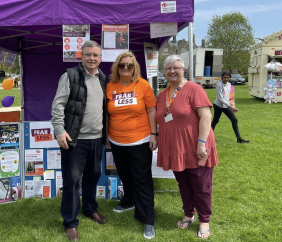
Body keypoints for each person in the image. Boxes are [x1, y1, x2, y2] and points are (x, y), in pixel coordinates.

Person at [155, 55, 218, 239]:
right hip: (175, 149)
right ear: (164, 71)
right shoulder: (162, 94)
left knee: (201, 184)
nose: (172, 71)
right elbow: (162, 118)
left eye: (176, 68)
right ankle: (188, 214)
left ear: (183, 70)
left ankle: (204, 220)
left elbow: (206, 117)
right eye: (168, 68)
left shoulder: (194, 89)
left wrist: (201, 143)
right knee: (183, 184)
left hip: (195, 145)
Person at [51, 40, 107, 241]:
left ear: (100, 58)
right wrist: (59, 130)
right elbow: (58, 105)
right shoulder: (70, 76)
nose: (92, 58)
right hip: (75, 140)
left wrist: (106, 136)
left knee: (92, 177)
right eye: (88, 55)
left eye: (95, 55)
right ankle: (70, 222)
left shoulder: (103, 79)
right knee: (72, 181)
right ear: (81, 56)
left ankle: (90, 209)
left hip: (96, 139)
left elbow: (104, 111)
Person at [106, 52, 157, 239]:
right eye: (122, 65)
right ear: (116, 68)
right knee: (125, 175)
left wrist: (153, 133)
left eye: (129, 65)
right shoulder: (110, 86)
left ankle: (148, 220)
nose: (126, 68)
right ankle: (128, 201)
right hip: (117, 140)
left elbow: (151, 110)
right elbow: (107, 113)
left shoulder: (143, 85)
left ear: (134, 67)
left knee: (142, 180)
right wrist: (107, 136)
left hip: (140, 140)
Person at [211, 71, 250, 143]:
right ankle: (208, 137)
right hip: (218, 105)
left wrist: (231, 105)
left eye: (227, 77)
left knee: (234, 120)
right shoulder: (219, 85)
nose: (226, 79)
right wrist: (231, 107)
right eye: (224, 77)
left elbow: (228, 96)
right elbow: (220, 98)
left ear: (230, 78)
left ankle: (239, 139)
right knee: (215, 121)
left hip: (226, 105)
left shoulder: (229, 84)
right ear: (222, 77)